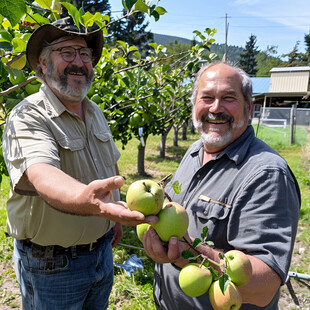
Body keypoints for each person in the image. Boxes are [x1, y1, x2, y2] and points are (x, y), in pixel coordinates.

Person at [2, 17, 156, 310]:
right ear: (43, 66)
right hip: (52, 266)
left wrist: (111, 215)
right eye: (67, 52)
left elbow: (109, 165)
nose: (79, 61)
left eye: (84, 53)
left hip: (101, 254)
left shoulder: (94, 111)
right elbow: (42, 174)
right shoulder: (29, 115)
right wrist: (89, 201)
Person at [142, 61, 301, 309]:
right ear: (194, 106)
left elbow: (266, 284)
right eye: (207, 98)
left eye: (228, 98)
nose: (216, 108)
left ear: (249, 109)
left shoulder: (266, 173)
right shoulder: (195, 152)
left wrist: (191, 255)